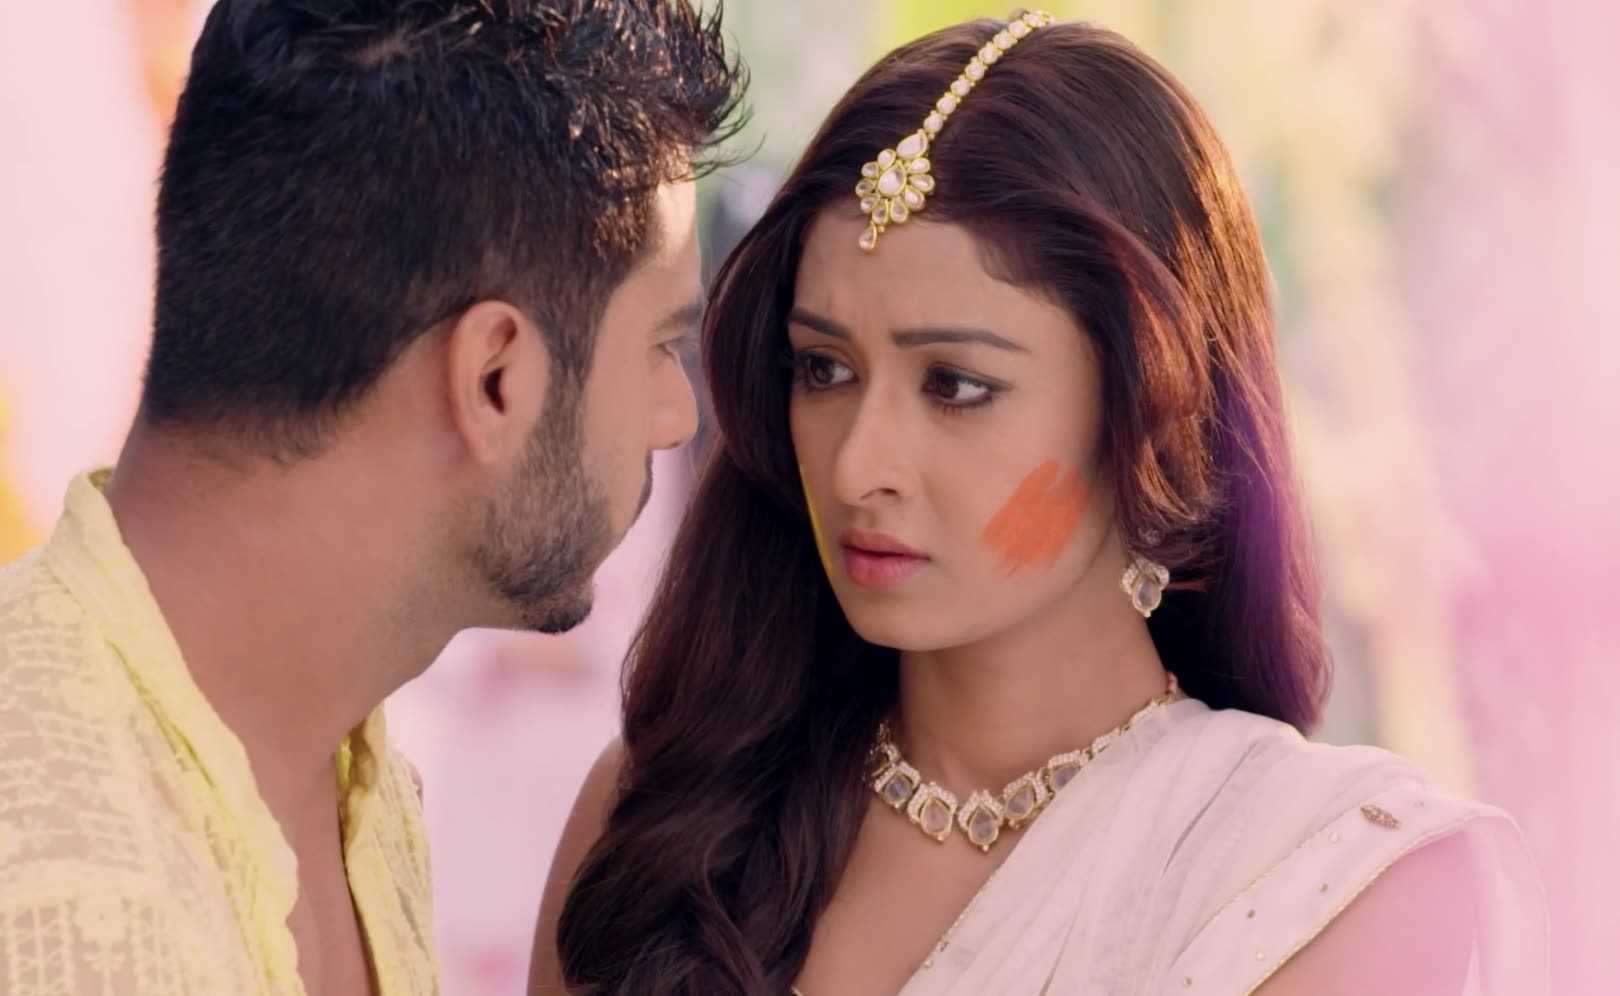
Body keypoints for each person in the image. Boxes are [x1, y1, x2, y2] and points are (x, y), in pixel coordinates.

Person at [532, 11, 1547, 995]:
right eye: (824, 369)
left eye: (954, 386)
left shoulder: (1313, 880)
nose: (856, 469)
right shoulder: (668, 826)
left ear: (1152, 416)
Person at [0, 0, 743, 993]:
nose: (675, 416)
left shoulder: (344, 771)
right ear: (494, 378)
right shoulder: (60, 895)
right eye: (660, 345)